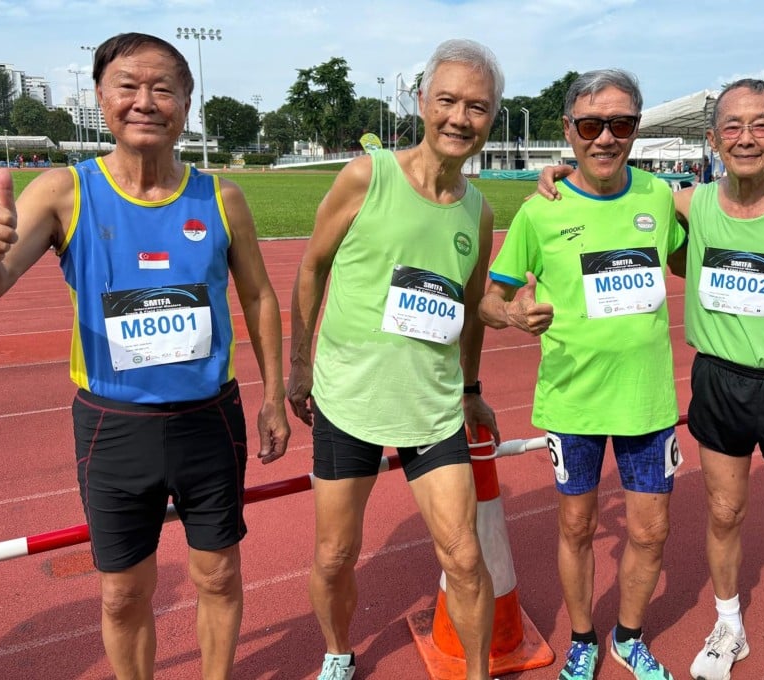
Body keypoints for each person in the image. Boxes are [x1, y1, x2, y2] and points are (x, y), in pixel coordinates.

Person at [537, 78, 764, 680]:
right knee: (723, 516)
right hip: (719, 383)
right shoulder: (687, 201)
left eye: (761, 125)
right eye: (733, 127)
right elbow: (610, 185)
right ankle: (728, 625)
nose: (746, 138)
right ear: (712, 139)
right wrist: (565, 169)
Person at [0, 33, 290, 680]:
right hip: (115, 429)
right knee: (122, 594)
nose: (145, 101)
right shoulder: (65, 191)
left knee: (220, 576)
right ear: (101, 98)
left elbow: (260, 297)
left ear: (186, 103)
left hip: (211, 422)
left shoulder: (222, 198)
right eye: (128, 86)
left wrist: (275, 398)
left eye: (163, 88)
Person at [286, 38, 503, 680]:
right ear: (421, 102)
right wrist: (300, 366)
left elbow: (467, 308)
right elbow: (312, 266)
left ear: (492, 116)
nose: (460, 118)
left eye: (478, 107)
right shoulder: (368, 175)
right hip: (348, 402)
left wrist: (469, 388)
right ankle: (337, 651)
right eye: (448, 101)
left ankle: (478, 674)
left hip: (432, 409)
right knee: (334, 555)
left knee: (464, 558)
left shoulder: (478, 210)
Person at [481, 68, 685, 680]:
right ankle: (581, 638)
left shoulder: (657, 196)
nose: (605, 137)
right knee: (577, 525)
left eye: (619, 124)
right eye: (591, 124)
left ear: (636, 129)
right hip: (573, 401)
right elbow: (491, 300)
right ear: (569, 130)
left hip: (647, 400)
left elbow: (691, 259)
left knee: (649, 531)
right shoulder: (540, 211)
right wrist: (513, 314)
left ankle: (628, 636)